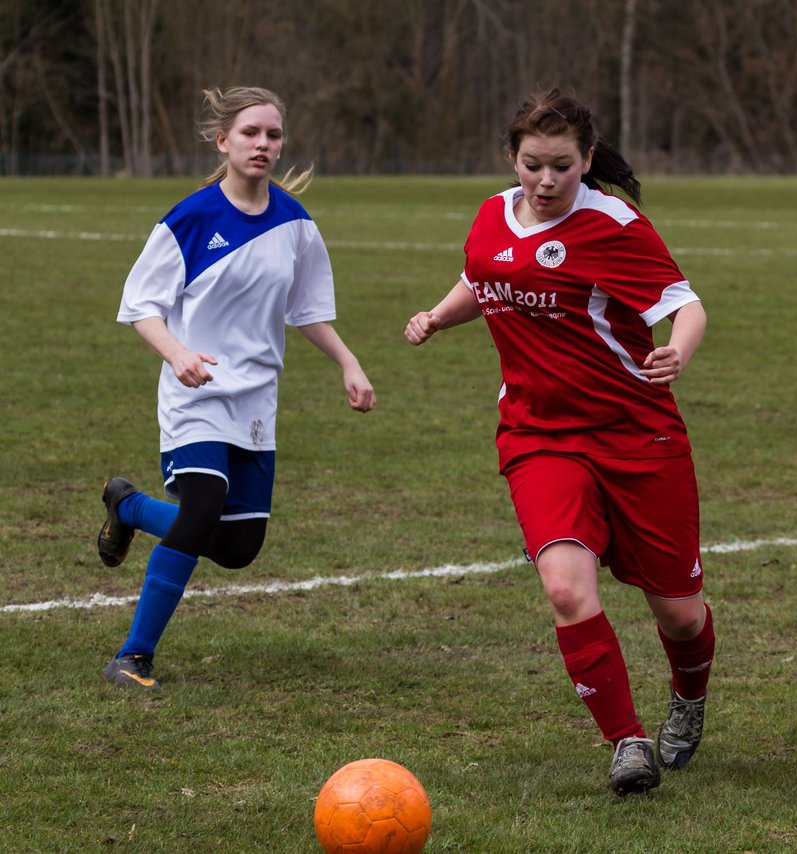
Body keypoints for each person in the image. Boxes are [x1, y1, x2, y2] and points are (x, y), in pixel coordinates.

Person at [405, 87, 715, 796]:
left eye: (562, 167)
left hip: (638, 434)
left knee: (679, 611)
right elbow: (482, 278)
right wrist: (436, 316)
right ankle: (626, 742)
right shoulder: (491, 215)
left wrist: (679, 351)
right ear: (512, 158)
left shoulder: (614, 224)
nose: (545, 182)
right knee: (567, 590)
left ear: (588, 160)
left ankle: (689, 696)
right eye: (532, 165)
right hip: (539, 434)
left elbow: (685, 305)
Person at [98, 86, 376, 690]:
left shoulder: (296, 225)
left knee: (238, 546)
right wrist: (177, 355)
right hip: (195, 394)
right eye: (251, 133)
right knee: (201, 510)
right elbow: (139, 305)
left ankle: (127, 505)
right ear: (223, 140)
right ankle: (133, 655)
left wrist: (349, 363)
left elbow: (306, 311)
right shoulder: (191, 218)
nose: (264, 145)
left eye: (273, 135)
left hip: (255, 401)